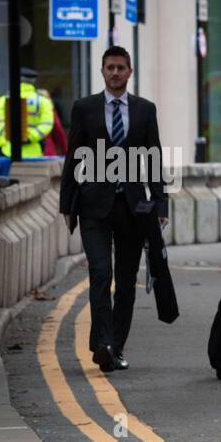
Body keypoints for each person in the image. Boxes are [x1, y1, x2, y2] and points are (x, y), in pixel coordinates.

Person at [60, 46, 168, 373]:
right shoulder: (84, 109)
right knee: (100, 272)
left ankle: (114, 347)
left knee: (125, 281)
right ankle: (103, 342)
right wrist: (68, 205)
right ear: (102, 71)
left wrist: (160, 202)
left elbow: (154, 157)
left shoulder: (145, 110)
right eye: (110, 67)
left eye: (121, 67)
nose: (116, 72)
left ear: (130, 72)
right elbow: (73, 158)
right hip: (94, 207)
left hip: (133, 208)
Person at [1, 67, 54, 158]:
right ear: (33, 81)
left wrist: (10, 137)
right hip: (34, 152)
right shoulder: (42, 101)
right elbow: (47, 124)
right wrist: (29, 138)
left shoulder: (4, 99)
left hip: (8, 151)